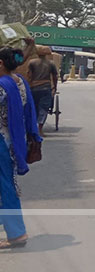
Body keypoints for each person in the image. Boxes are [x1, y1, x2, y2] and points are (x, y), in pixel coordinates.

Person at [0, 46, 43, 249]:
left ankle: (16, 233)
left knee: (5, 186)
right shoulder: (20, 82)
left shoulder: (2, 85)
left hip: (2, 140)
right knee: (6, 183)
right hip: (15, 142)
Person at [27, 46, 58, 136]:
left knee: (34, 108)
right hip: (45, 88)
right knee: (43, 109)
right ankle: (39, 129)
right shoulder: (50, 63)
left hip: (34, 88)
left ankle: (33, 128)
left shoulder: (32, 62)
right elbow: (55, 77)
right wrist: (54, 87)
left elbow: (29, 75)